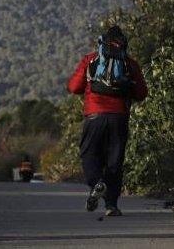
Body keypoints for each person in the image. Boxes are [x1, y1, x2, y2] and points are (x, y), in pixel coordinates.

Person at [67, 25, 148, 216]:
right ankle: (111, 205)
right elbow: (142, 93)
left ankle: (97, 183)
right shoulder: (129, 63)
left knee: (89, 155)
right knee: (115, 162)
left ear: (101, 43)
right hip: (119, 117)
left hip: (94, 116)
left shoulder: (90, 60)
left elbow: (73, 87)